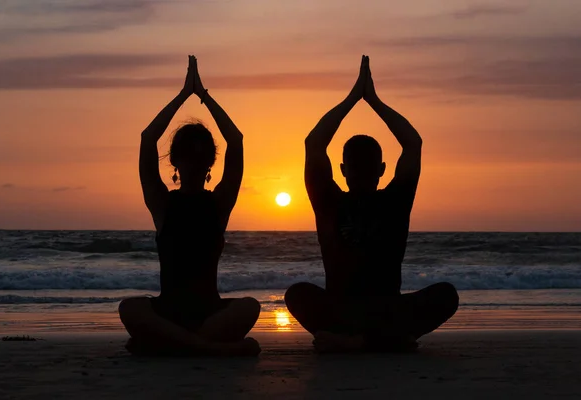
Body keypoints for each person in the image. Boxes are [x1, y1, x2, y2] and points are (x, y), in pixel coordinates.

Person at [284, 55, 459, 353]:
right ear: (381, 170)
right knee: (297, 294)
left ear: (343, 170)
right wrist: (367, 99)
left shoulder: (335, 200)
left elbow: (314, 144)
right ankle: (380, 342)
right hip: (369, 313)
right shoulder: (386, 200)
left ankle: (353, 342)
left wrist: (359, 99)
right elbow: (412, 144)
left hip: (368, 312)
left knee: (446, 295)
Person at [118, 55, 261, 357]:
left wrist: (204, 96)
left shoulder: (218, 204)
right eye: (187, 156)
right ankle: (207, 348)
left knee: (250, 307)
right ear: (175, 160)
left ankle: (169, 343)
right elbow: (147, 139)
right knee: (130, 308)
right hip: (167, 310)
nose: (194, 164)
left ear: (210, 162)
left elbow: (235, 141)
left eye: (201, 157)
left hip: (209, 313)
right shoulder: (163, 203)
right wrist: (183, 95)